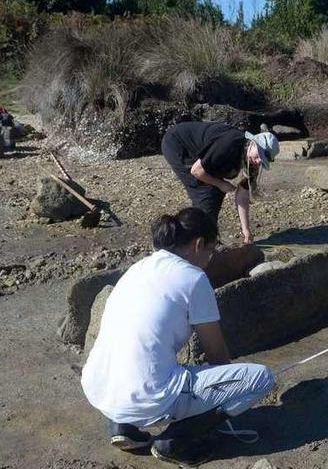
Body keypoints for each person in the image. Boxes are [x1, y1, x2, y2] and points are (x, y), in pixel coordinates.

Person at [81, 207, 275, 465]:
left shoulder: (139, 268)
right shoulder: (193, 278)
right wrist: (221, 392)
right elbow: (216, 354)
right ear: (198, 244)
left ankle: (122, 426)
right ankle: (176, 441)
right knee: (261, 379)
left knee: (135, 360)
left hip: (99, 387)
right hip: (149, 396)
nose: (210, 258)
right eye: (211, 250)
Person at [162, 122, 280, 244]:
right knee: (207, 192)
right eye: (259, 154)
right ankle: (197, 242)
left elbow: (242, 196)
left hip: (203, 158)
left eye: (263, 161)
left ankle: (207, 238)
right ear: (253, 143)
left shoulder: (252, 162)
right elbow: (196, 171)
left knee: (215, 191)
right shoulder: (228, 144)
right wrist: (221, 184)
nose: (258, 160)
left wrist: (246, 231)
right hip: (177, 144)